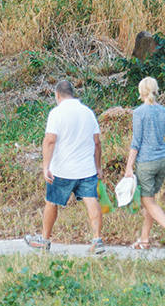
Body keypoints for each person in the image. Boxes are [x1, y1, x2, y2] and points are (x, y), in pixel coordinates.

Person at [25, 80, 106, 254]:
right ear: (72, 93)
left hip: (62, 169)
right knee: (91, 200)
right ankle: (97, 240)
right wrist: (98, 167)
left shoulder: (56, 113)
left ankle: (45, 241)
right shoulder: (88, 113)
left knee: (51, 203)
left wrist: (46, 166)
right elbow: (97, 142)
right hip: (86, 168)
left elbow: (50, 140)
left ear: (57, 95)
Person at [123, 76, 165, 250]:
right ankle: (144, 240)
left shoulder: (139, 113)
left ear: (141, 92)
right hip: (163, 162)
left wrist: (129, 166)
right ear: (156, 90)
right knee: (150, 202)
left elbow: (136, 142)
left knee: (148, 202)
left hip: (146, 162)